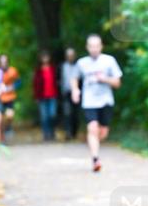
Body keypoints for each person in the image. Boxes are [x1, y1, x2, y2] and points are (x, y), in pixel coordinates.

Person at [70, 34, 122, 172]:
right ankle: (95, 159)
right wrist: (75, 90)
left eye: (96, 46)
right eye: (91, 46)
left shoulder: (109, 61)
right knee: (92, 128)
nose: (94, 49)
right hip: (89, 102)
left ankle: (94, 143)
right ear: (87, 47)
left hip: (106, 101)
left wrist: (105, 79)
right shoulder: (81, 63)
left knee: (102, 133)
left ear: (101, 46)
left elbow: (117, 83)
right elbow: (74, 78)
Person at [33, 51, 59, 141]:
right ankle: (46, 134)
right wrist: (36, 96)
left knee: (52, 114)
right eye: (43, 57)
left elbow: (57, 81)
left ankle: (52, 132)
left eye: (46, 57)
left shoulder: (53, 68)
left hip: (53, 95)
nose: (45, 59)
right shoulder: (38, 70)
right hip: (42, 96)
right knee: (44, 116)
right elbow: (35, 84)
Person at [59, 47, 81, 140]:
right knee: (67, 113)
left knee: (75, 114)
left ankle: (74, 132)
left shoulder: (79, 65)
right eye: (68, 56)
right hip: (66, 93)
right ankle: (68, 132)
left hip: (77, 93)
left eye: (72, 55)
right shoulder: (62, 66)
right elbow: (59, 79)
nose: (70, 57)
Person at [0, 54, 20, 143]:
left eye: (5, 61)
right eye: (1, 61)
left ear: (7, 62)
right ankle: (2, 136)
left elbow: (19, 82)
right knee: (0, 118)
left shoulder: (13, 71)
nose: (3, 63)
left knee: (9, 115)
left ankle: (8, 128)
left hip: (10, 97)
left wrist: (13, 87)